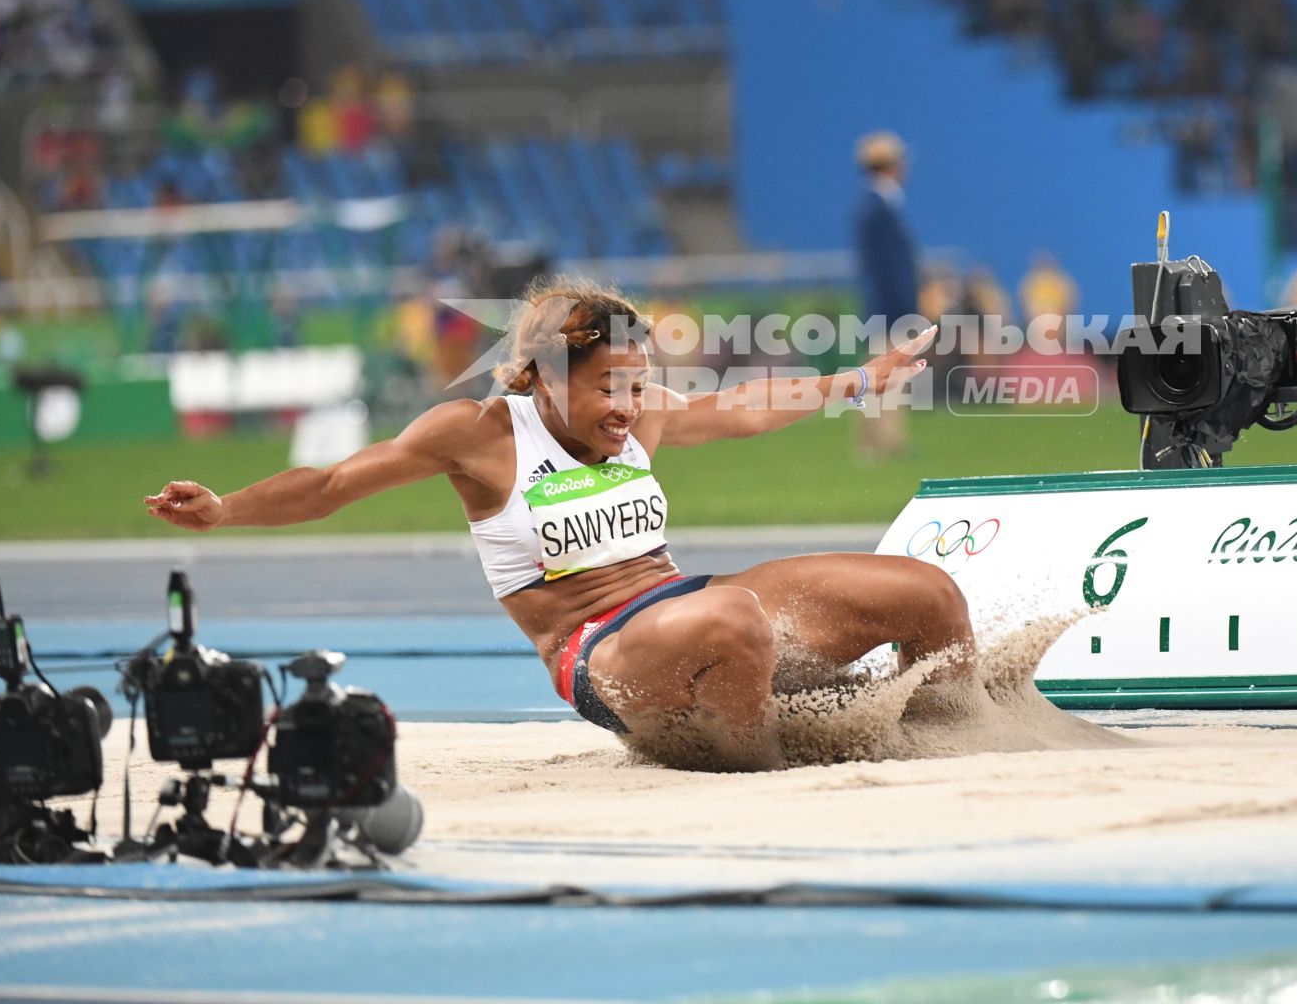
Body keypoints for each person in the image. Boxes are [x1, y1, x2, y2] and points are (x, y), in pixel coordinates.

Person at [146, 278, 969, 772]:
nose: (625, 405)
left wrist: (861, 378)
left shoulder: (639, 413)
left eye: (637, 383)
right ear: (542, 376)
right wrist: (225, 509)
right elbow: (329, 483)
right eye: (606, 386)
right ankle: (779, 772)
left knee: (925, 591)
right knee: (734, 617)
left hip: (695, 603)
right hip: (600, 651)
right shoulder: (478, 434)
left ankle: (963, 741)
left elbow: (741, 409)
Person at [851, 132, 921, 460]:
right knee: (887, 376)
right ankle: (885, 443)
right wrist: (908, 307)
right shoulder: (880, 207)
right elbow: (893, 267)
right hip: (890, 308)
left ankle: (873, 443)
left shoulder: (872, 206)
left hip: (881, 307)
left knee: (876, 375)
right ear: (892, 166)